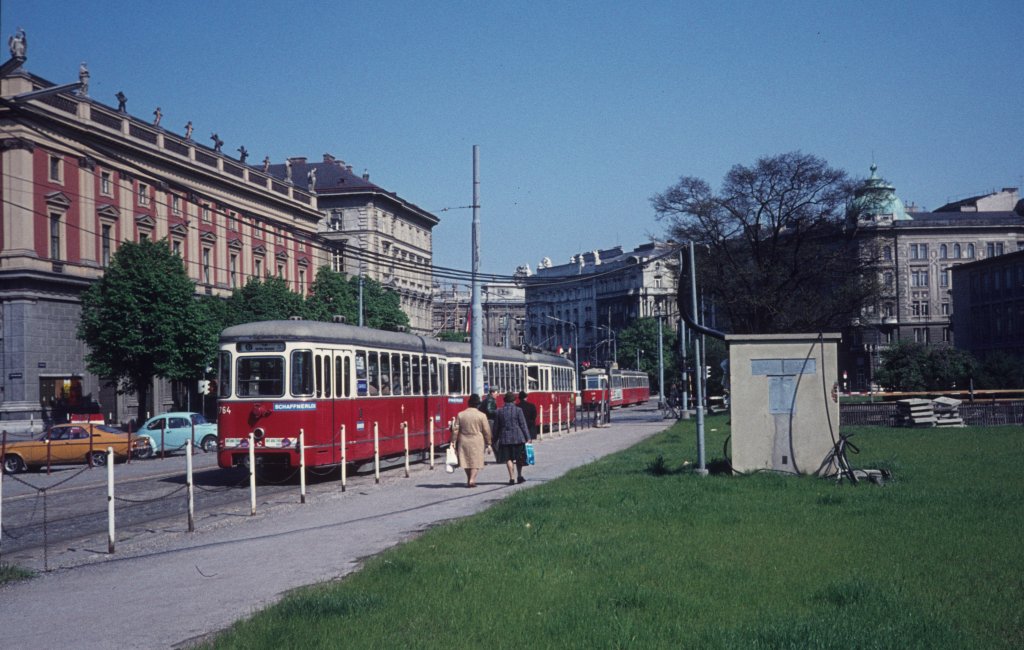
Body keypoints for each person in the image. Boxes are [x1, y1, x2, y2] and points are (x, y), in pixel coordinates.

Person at [451, 394, 491, 488]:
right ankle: (472, 480)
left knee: (465, 460)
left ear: (468, 403)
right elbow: (486, 430)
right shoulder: (482, 415)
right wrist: (489, 442)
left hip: (464, 440)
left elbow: (455, 429)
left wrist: (453, 441)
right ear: (478, 404)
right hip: (477, 440)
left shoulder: (461, 414)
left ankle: (469, 478)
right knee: (476, 461)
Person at [492, 391, 531, 484]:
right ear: (514, 401)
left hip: (505, 439)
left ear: (505, 401)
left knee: (508, 458)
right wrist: (528, 437)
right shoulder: (518, 410)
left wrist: (494, 438)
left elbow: (496, 427)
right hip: (518, 438)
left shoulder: (499, 411)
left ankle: (511, 478)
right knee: (519, 458)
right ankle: (519, 476)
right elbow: (523, 425)